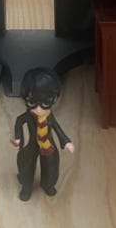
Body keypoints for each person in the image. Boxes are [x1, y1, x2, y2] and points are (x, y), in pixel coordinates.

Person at [12, 67, 74, 201]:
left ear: (54, 99)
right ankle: (26, 186)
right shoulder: (28, 116)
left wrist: (66, 142)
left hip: (48, 146)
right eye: (32, 103)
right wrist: (18, 139)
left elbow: (57, 128)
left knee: (51, 165)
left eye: (45, 103)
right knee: (26, 164)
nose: (39, 109)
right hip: (32, 144)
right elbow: (19, 122)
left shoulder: (49, 116)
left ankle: (48, 184)